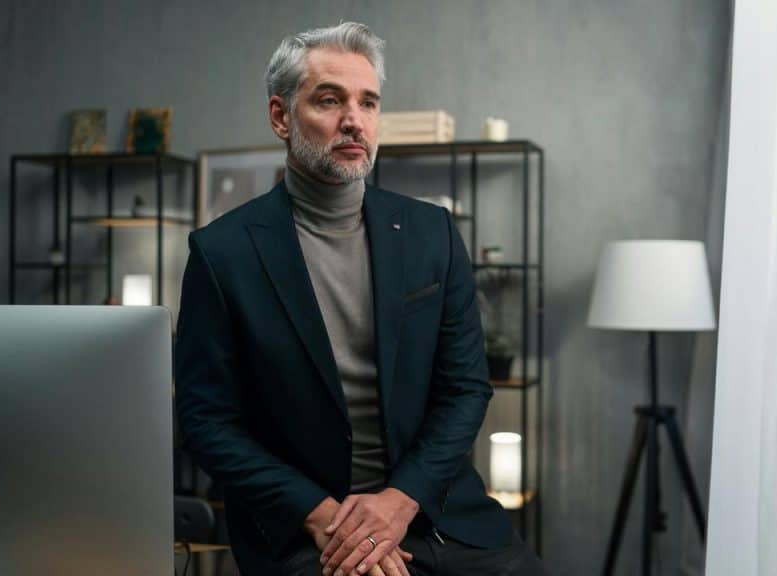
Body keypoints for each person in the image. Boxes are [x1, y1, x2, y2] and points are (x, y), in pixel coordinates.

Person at [175, 22, 546, 576]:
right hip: (306, 527)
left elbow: (465, 388)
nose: (354, 119)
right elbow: (207, 420)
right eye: (329, 100)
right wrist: (321, 515)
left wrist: (399, 503)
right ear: (281, 116)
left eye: (367, 102)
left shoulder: (432, 233)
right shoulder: (221, 252)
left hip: (433, 510)